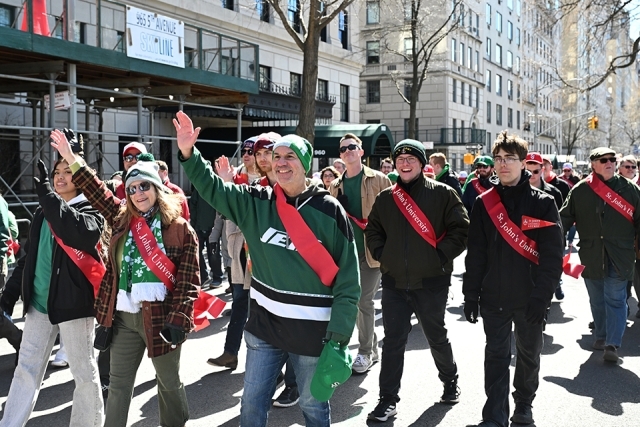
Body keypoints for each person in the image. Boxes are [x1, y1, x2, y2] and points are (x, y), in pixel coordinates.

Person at [174, 110, 360, 427]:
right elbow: (214, 189)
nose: (281, 163)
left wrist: (339, 336)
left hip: (312, 333)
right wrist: (190, 153)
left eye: (290, 157)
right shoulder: (255, 202)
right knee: (251, 406)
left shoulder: (330, 210)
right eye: (277, 157)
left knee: (314, 410)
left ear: (305, 163)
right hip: (265, 328)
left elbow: (348, 281)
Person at [50, 129, 199, 427]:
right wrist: (71, 158)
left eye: (144, 186)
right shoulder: (121, 216)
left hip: (161, 318)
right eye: (132, 188)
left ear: (157, 187)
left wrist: (178, 321)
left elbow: (188, 284)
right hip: (124, 317)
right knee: (117, 387)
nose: (138, 193)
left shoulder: (180, 228)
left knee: (168, 383)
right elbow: (96, 190)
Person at [463, 131, 564, 427]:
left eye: (509, 158)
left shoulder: (544, 203)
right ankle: (494, 415)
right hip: (493, 296)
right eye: (498, 158)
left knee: (528, 355)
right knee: (495, 356)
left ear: (524, 164)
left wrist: (542, 297)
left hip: (530, 297)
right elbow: (476, 254)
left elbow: (552, 256)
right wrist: (471, 294)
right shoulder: (484, 203)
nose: (503, 164)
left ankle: (523, 405)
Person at [365, 139, 469, 422]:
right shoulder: (386, 198)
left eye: (411, 159)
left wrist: (439, 257)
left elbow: (461, 229)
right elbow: (373, 231)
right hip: (394, 283)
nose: (405, 164)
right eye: (400, 160)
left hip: (432, 282)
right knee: (393, 342)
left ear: (422, 164)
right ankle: (387, 399)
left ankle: (450, 381)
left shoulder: (444, 194)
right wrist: (383, 255)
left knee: (436, 336)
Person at [0, 155, 105, 427]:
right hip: (38, 306)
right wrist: (8, 298)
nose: (59, 176)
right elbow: (28, 260)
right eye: (56, 171)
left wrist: (48, 197)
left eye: (67, 172)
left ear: (81, 178)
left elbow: (77, 231)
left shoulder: (91, 211)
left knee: (83, 374)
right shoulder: (42, 210)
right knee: (25, 369)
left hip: (74, 306)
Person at [559, 147, 640, 363]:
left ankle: (612, 343)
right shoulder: (580, 190)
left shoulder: (630, 189)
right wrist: (551, 242)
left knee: (615, 298)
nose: (609, 163)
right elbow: (564, 219)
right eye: (603, 160)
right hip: (592, 254)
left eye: (613, 159)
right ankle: (602, 335)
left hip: (620, 255)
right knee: (597, 299)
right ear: (593, 164)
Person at [329, 133, 391, 374]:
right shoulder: (334, 186)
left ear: (362, 152)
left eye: (352, 147)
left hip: (372, 252)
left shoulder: (380, 180)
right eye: (343, 149)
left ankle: (365, 352)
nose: (348, 151)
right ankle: (372, 348)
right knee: (351, 302)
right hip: (346, 253)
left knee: (362, 300)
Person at [190, 184, 222, 288]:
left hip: (214, 227)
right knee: (197, 252)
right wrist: (194, 225)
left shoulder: (216, 187)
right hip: (199, 226)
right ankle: (204, 276)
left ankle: (217, 277)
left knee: (213, 253)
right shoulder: (197, 188)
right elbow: (193, 206)